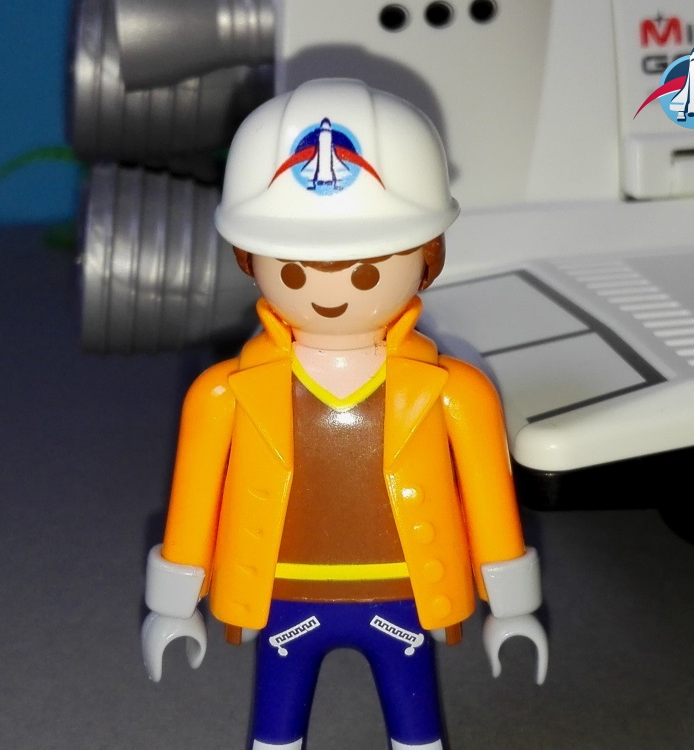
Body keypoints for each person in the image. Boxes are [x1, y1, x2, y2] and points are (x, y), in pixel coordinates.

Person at [141, 78, 547, 750]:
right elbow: (193, 506)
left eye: (365, 272)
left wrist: (513, 606)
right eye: (295, 271)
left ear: (427, 256)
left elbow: (490, 504)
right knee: (276, 730)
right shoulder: (224, 393)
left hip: (405, 591)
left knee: (416, 730)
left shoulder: (455, 391)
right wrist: (173, 603)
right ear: (250, 259)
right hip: (281, 593)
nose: (329, 291)